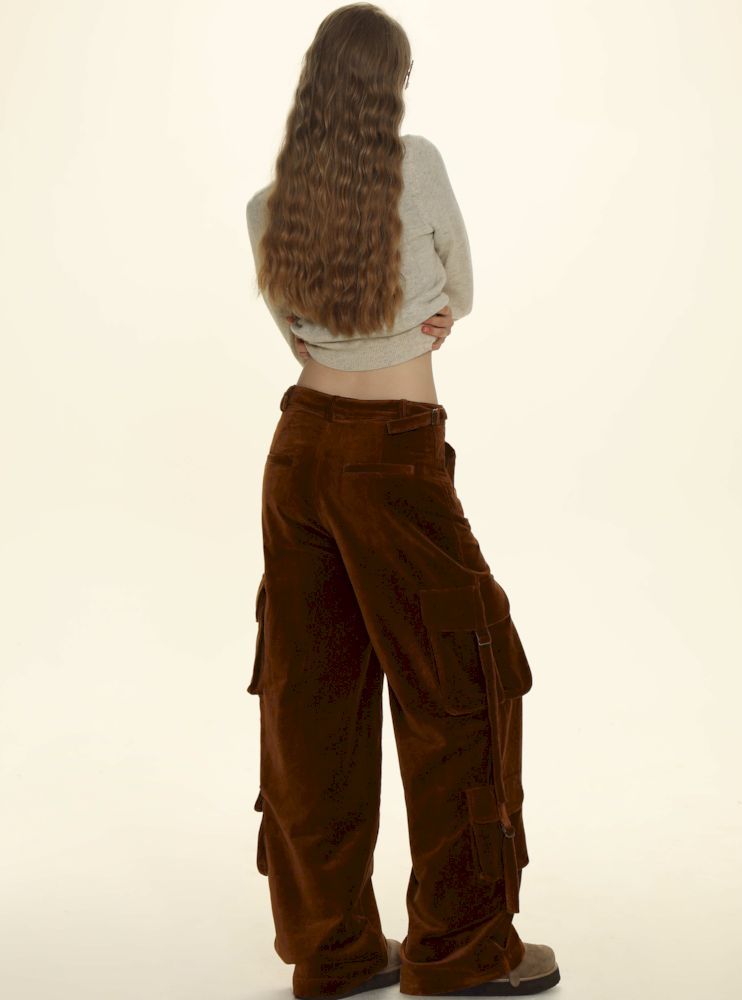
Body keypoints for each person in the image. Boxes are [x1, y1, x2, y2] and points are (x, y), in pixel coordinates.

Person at [244, 5, 560, 998]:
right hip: (392, 456)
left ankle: (334, 950)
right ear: (392, 84)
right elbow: (458, 292)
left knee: (314, 703)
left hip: (300, 452)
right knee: (462, 683)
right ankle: (461, 952)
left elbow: (299, 336)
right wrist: (419, 314)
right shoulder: (415, 165)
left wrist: (364, 325)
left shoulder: (266, 208)